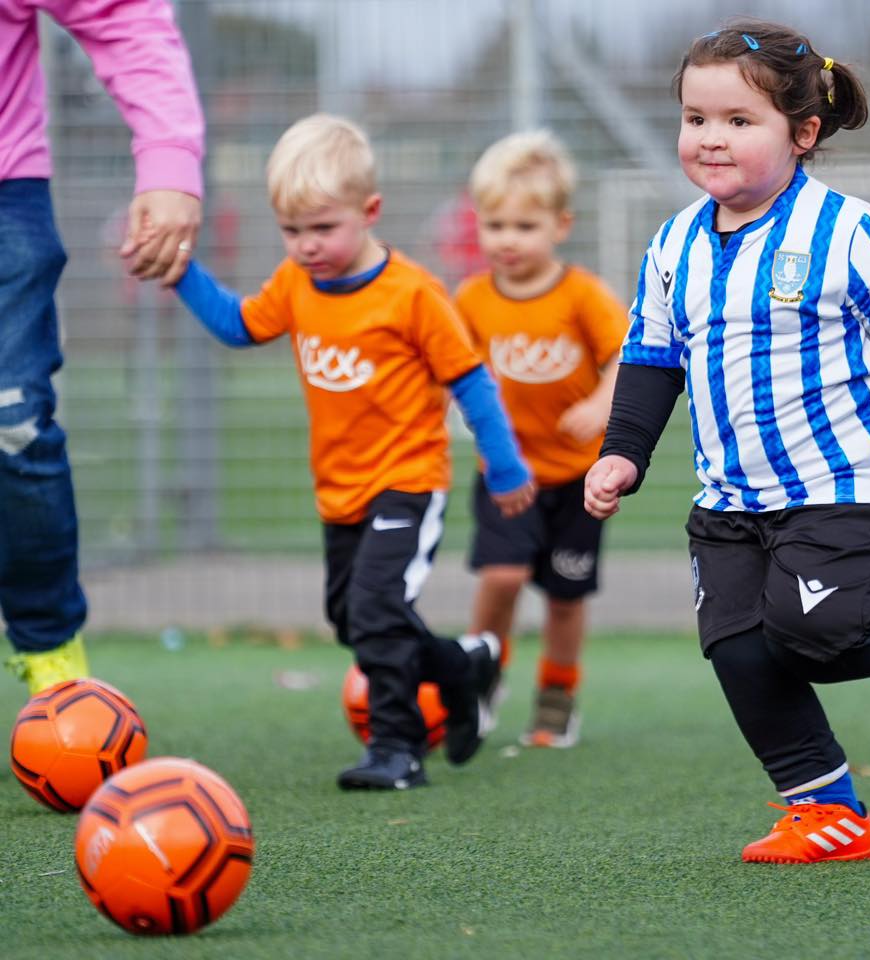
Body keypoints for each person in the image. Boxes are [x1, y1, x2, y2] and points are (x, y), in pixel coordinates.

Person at [583, 20, 870, 863]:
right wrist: (623, 452)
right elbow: (651, 359)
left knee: (805, 636)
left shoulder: (845, 229)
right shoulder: (673, 245)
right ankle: (827, 811)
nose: (709, 138)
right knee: (736, 647)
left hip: (846, 488)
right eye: (695, 118)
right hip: (730, 500)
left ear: (803, 133)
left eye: (737, 121)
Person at [161, 114, 536, 790]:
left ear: (369, 212)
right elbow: (242, 326)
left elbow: (471, 380)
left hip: (408, 481)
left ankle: (397, 750)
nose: (306, 246)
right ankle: (462, 669)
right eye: (292, 230)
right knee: (351, 619)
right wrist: (182, 274)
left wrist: (504, 465)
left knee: (374, 608)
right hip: (340, 491)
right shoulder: (297, 283)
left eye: (322, 228)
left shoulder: (412, 293)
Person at [2, 0, 204, 695]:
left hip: (5, 188)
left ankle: (50, 653)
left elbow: (122, 14)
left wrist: (171, 161)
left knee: (12, 423)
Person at [454, 130, 629, 748]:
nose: (507, 239)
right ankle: (479, 678)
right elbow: (452, 370)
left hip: (580, 480)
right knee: (501, 578)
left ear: (560, 225)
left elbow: (627, 357)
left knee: (562, 596)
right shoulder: (471, 300)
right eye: (495, 224)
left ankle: (557, 693)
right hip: (508, 475)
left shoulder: (582, 294)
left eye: (525, 226)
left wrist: (599, 403)